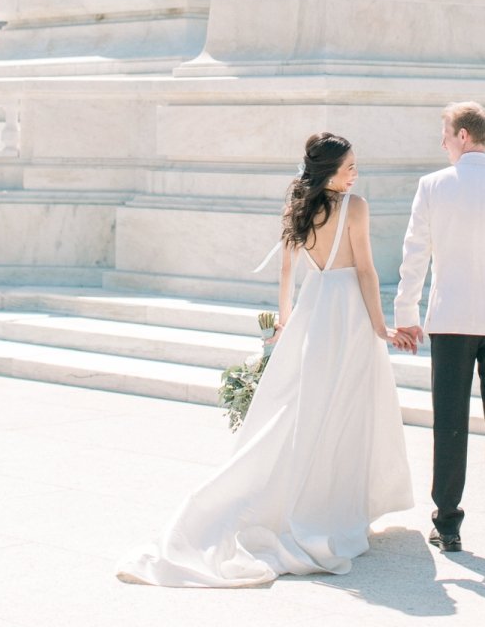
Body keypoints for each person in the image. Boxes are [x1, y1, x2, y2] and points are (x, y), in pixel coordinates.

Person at [117, 132, 413, 586]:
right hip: (349, 315)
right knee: (347, 410)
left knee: (308, 411)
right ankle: (338, 509)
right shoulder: (355, 207)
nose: (356, 173)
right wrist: (380, 326)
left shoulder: (300, 207)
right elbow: (367, 270)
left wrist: (285, 324)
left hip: (314, 313)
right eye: (350, 166)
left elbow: (287, 273)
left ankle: (320, 503)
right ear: (331, 170)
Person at [393, 102, 485, 553]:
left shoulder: (433, 186)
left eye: (444, 132)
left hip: (451, 320)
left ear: (462, 135)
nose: (441, 141)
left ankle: (448, 526)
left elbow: (415, 253)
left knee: (449, 424)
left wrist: (406, 316)